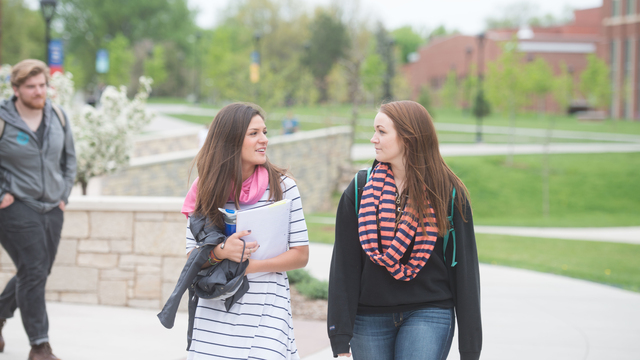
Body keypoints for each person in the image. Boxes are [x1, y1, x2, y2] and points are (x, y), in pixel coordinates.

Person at [327, 100, 482, 360]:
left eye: (381, 131)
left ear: (408, 138)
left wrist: (470, 348)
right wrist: (340, 339)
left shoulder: (448, 192)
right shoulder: (359, 190)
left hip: (429, 311)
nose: (373, 139)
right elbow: (344, 265)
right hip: (369, 316)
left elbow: (465, 271)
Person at [181, 102, 309, 359]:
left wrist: (249, 267)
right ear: (230, 141)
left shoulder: (283, 188)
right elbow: (191, 257)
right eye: (254, 134)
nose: (264, 140)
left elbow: (300, 255)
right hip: (215, 312)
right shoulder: (204, 190)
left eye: (264, 132)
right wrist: (220, 252)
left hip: (266, 312)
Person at [0, 59, 76, 360]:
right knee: (33, 268)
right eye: (30, 86)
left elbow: (69, 159)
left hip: (52, 207)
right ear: (16, 89)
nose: (38, 91)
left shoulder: (57, 115)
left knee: (38, 271)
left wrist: (64, 195)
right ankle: (40, 346)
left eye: (42, 85)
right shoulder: (4, 119)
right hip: (16, 205)